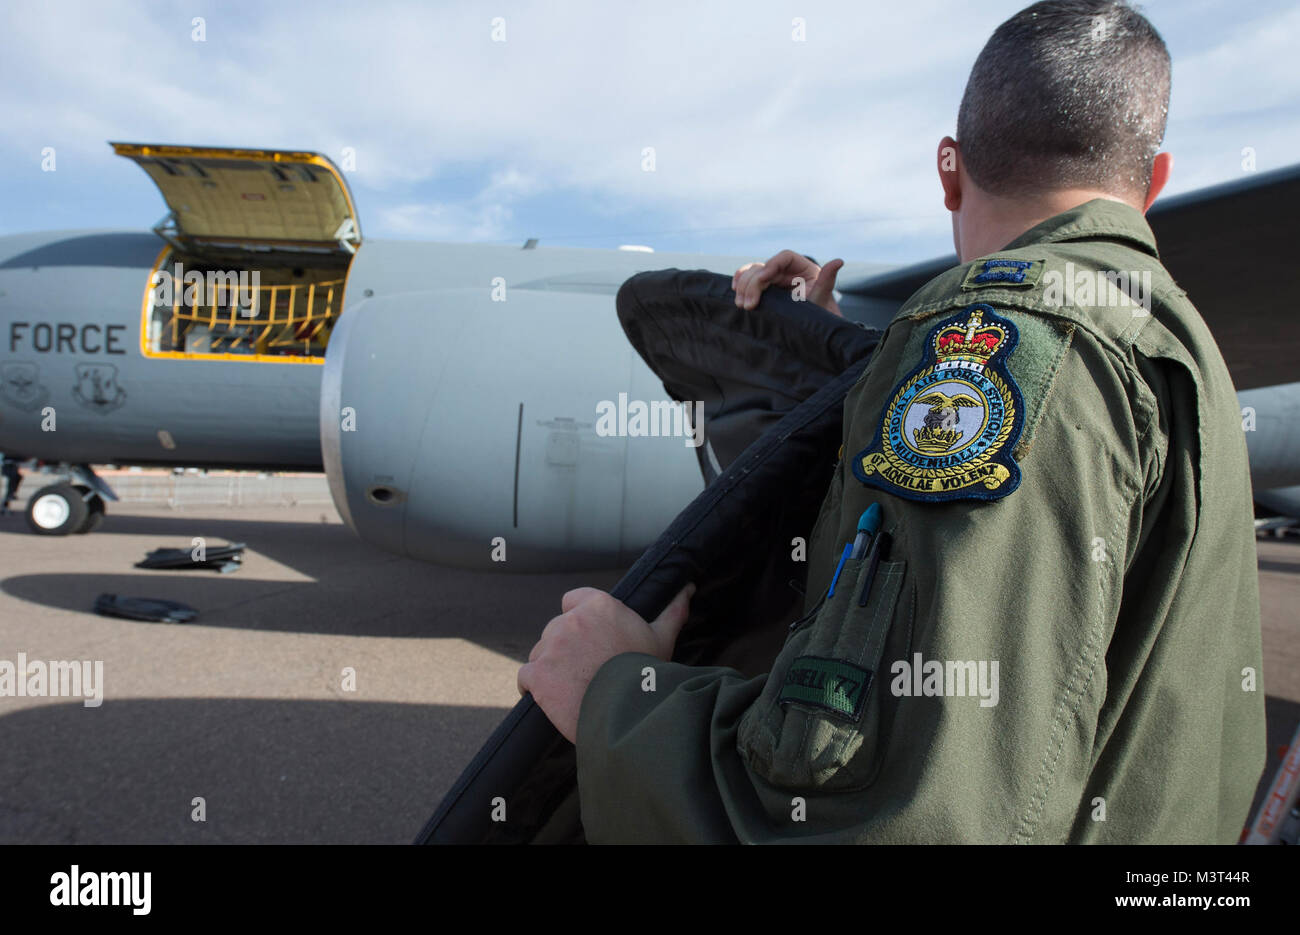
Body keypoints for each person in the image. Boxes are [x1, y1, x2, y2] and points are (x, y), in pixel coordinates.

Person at [517, 0, 1265, 843]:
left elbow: (905, 814)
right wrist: (852, 369)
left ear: (949, 171)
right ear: (1152, 182)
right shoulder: (1172, 342)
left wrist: (617, 695)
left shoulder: (1008, 335)